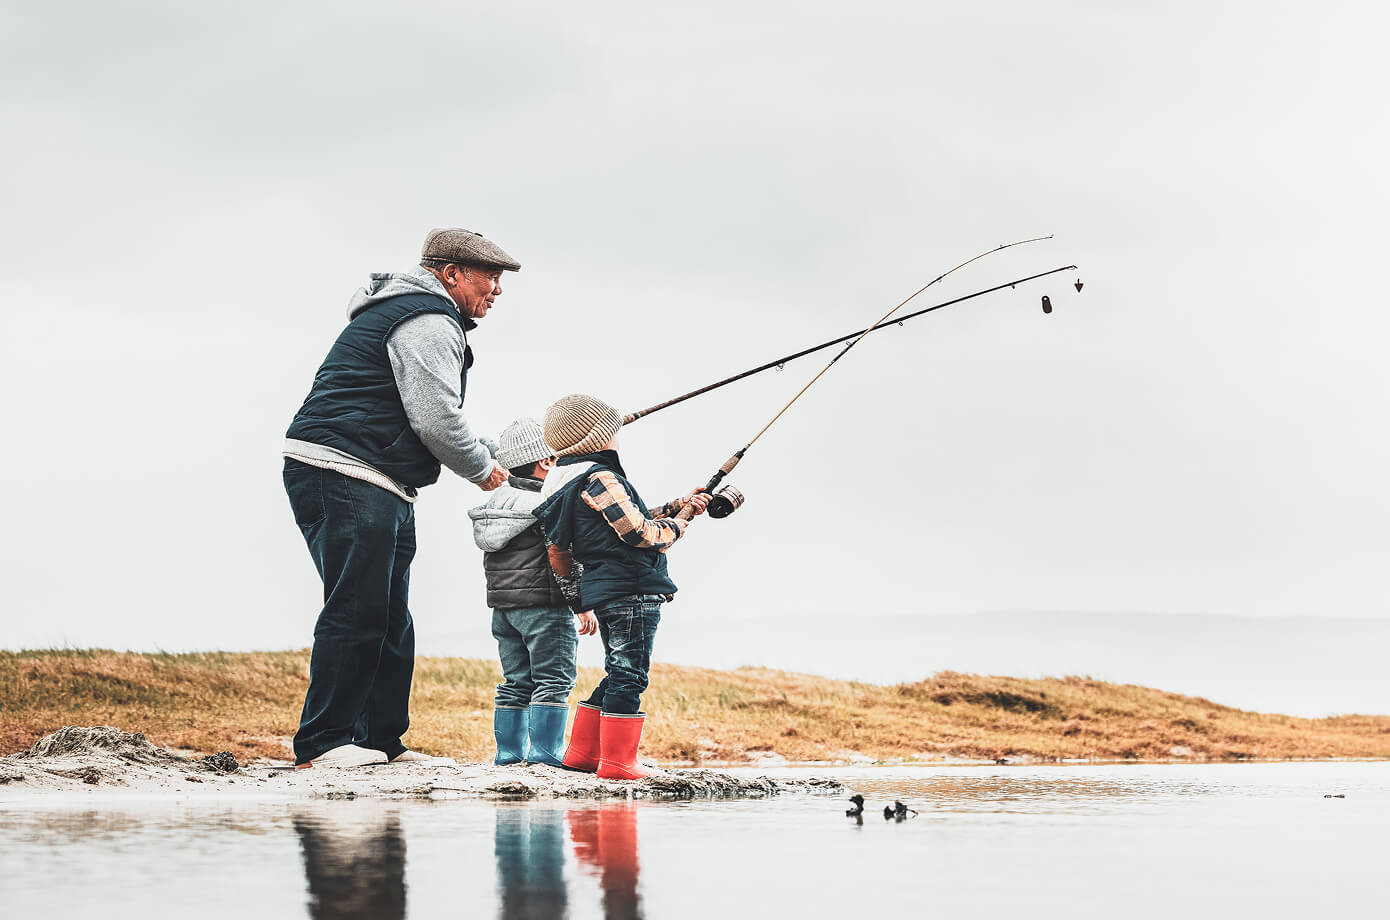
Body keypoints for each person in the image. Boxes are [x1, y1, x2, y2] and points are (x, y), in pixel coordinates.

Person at [282, 228, 519, 768]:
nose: (498, 290)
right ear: (452, 274)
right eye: (492, 277)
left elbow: (427, 415)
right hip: (344, 469)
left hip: (379, 477)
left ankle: (380, 742)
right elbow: (435, 417)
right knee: (358, 607)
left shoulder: (416, 314)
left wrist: (494, 452)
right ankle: (324, 743)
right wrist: (481, 468)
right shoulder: (429, 318)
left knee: (390, 615)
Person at [531, 394, 710, 780]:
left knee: (618, 670)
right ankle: (617, 763)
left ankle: (581, 754)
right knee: (631, 674)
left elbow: (589, 533)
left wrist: (681, 503)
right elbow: (640, 533)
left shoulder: (562, 481)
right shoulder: (601, 477)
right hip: (632, 587)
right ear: (598, 435)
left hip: (605, 588)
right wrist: (679, 526)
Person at [469, 418, 598, 766]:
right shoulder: (546, 503)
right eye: (557, 458)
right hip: (546, 606)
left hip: (504, 609)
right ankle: (546, 755)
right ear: (545, 462)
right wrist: (581, 604)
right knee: (554, 680)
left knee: (515, 681)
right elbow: (562, 556)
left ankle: (509, 755)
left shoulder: (499, 504)